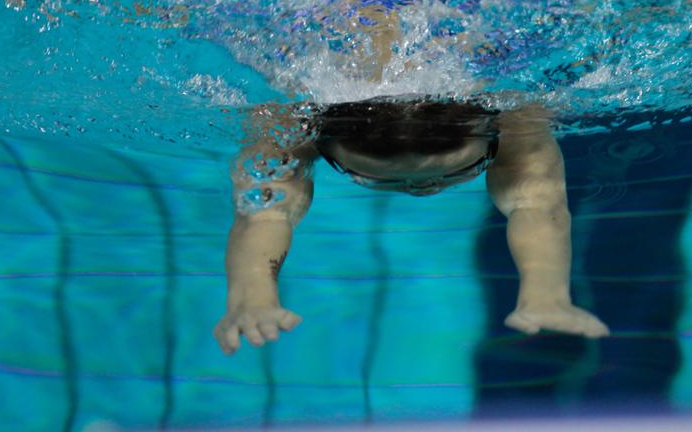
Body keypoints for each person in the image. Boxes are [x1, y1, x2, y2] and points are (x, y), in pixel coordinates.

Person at [213, 95, 610, 354]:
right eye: (383, 179)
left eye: (460, 171)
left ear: (493, 133)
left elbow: (538, 205)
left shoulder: (517, 115)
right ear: (317, 142)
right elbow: (265, 212)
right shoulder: (289, 125)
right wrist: (251, 296)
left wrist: (546, 295)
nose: (422, 191)